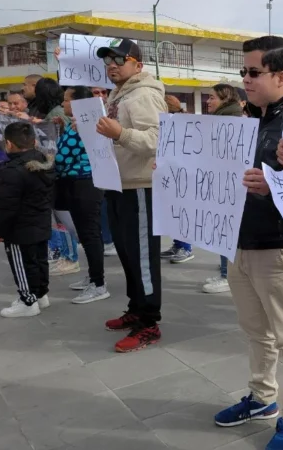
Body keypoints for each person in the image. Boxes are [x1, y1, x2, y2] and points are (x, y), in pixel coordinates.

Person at [213, 36, 283, 450]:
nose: (246, 80)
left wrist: (277, 182)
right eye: (243, 72)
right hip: (240, 241)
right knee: (256, 331)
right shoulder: (248, 118)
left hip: (281, 246)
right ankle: (262, 398)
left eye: (253, 72)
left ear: (280, 76)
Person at [94, 38, 167, 353]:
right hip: (119, 183)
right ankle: (136, 307)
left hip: (140, 186)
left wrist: (119, 134)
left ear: (138, 64)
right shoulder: (120, 94)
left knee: (142, 257)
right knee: (127, 253)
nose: (111, 65)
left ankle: (149, 323)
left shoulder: (143, 95)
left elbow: (157, 139)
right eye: (108, 60)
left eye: (119, 59)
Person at [0, 122, 54, 318]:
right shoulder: (44, 162)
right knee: (39, 261)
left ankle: (28, 300)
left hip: (20, 228)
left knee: (22, 264)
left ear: (8, 144)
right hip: (41, 221)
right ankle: (40, 294)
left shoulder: (13, 171)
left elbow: (5, 206)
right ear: (34, 141)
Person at [55, 86, 111, 304]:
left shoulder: (84, 125)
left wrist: (53, 159)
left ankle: (98, 284)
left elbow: (63, 157)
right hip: (79, 183)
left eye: (66, 100)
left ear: (77, 103)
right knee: (87, 234)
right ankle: (93, 276)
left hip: (84, 184)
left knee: (90, 234)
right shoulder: (76, 124)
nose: (63, 104)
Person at [198, 84, 243, 294]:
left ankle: (228, 276)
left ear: (225, 99)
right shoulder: (223, 119)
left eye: (212, 97)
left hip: (229, 188)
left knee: (226, 232)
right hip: (221, 186)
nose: (208, 101)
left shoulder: (231, 122)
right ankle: (227, 273)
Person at [159, 95, 197, 265]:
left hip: (182, 175)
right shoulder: (171, 121)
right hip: (171, 173)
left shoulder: (181, 123)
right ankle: (178, 244)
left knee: (182, 213)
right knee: (173, 212)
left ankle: (186, 247)